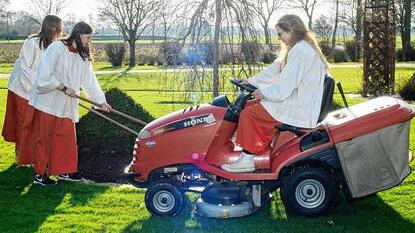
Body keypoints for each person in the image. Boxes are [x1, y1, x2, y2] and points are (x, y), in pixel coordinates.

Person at [221, 14, 330, 173]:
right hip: (299, 100)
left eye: (281, 34)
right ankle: (252, 151)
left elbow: (284, 87)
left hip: (299, 106)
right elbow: (276, 70)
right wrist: (251, 82)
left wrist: (263, 93)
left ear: (292, 31)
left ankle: (247, 159)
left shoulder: (300, 50)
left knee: (250, 114)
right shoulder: (300, 47)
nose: (280, 38)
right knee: (251, 105)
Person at [19, 22, 112, 185]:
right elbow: (44, 74)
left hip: (65, 105)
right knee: (44, 139)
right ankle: (40, 174)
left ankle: (65, 171)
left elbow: (90, 81)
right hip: (47, 103)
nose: (89, 41)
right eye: (88, 37)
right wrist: (62, 87)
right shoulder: (56, 48)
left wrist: (101, 102)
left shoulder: (82, 56)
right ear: (78, 34)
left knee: (66, 139)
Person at [2, 15, 63, 165]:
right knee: (23, 122)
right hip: (21, 88)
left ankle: (28, 155)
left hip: (37, 90)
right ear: (52, 27)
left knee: (34, 124)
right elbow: (24, 67)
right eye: (58, 28)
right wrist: (37, 87)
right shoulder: (32, 42)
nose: (60, 31)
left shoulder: (53, 46)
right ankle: (21, 156)